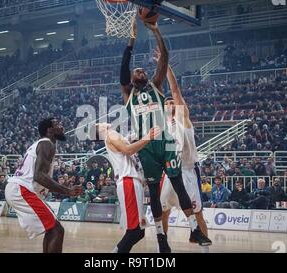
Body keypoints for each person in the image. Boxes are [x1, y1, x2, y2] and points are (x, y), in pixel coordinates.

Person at [120, 20, 200, 252]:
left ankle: (194, 229)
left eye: (142, 70)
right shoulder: (128, 94)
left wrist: (155, 30)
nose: (140, 71)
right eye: (137, 72)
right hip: (147, 148)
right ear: (132, 80)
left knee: (175, 187)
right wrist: (131, 41)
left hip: (164, 145)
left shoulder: (156, 85)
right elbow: (124, 68)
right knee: (154, 196)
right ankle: (161, 239)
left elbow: (164, 56)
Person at [5, 118, 83, 253]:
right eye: (57, 124)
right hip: (22, 189)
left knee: (52, 229)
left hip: (20, 189)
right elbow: (39, 175)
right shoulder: (47, 144)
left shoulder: (42, 144)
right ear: (49, 130)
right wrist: (68, 191)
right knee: (57, 230)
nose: (62, 126)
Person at [158, 48, 211, 246]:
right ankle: (162, 247)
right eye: (167, 103)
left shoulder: (183, 118)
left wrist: (166, 66)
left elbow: (175, 91)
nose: (170, 103)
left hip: (188, 170)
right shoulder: (162, 126)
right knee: (163, 212)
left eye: (172, 102)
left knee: (198, 214)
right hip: (170, 172)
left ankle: (204, 245)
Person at [95, 123, 158, 253]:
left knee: (139, 232)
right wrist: (147, 137)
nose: (101, 122)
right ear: (100, 130)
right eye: (98, 124)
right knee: (135, 231)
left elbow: (129, 145)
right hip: (128, 182)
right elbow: (128, 150)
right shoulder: (110, 135)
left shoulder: (116, 136)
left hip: (133, 182)